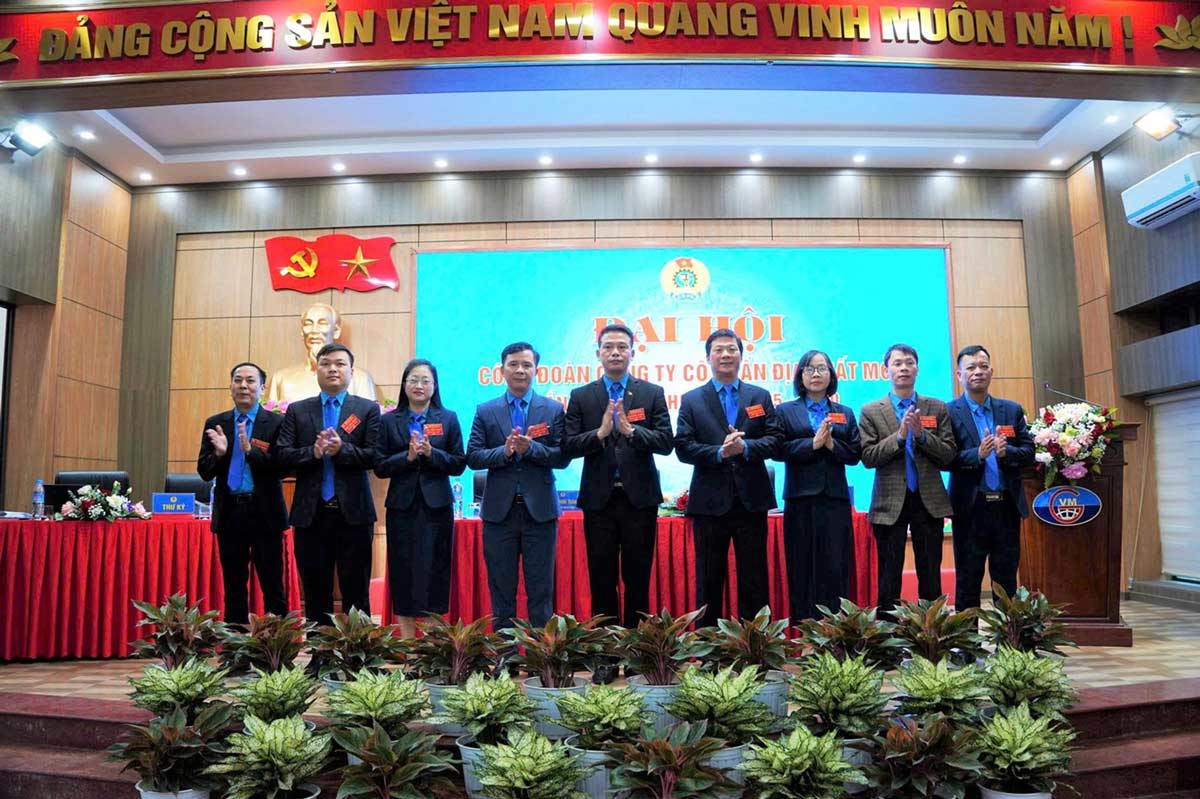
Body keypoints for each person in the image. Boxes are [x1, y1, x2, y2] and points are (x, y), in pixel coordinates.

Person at [564, 324, 672, 640]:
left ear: (632, 352)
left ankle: (638, 650)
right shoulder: (582, 396)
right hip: (599, 501)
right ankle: (608, 653)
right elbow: (568, 445)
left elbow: (666, 442)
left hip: (640, 501)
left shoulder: (651, 393)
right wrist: (598, 434)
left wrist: (631, 431)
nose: (615, 352)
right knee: (602, 577)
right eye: (609, 346)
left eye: (622, 347)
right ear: (598, 353)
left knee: (638, 577)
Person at [675, 328, 779, 628]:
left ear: (741, 356)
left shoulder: (759, 396)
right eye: (719, 350)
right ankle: (710, 651)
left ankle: (755, 647)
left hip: (751, 501)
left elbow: (774, 440)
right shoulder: (692, 399)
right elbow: (683, 446)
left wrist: (745, 447)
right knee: (709, 579)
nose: (725, 355)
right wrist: (719, 453)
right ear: (708, 357)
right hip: (709, 502)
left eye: (731, 349)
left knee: (755, 578)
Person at [466, 341, 568, 634]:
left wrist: (532, 448)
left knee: (540, 595)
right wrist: (505, 451)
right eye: (514, 364)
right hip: (500, 515)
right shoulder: (486, 411)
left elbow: (562, 456)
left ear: (536, 369)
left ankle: (540, 661)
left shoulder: (552, 409)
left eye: (526, 365)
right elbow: (473, 456)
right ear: (502, 370)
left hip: (541, 514)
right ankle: (505, 662)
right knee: (501, 595)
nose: (520, 370)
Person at [275, 343, 381, 624]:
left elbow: (375, 456)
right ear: (317, 370)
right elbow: (282, 456)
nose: (332, 369)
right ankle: (319, 656)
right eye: (326, 364)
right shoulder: (298, 411)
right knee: (315, 589)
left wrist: (341, 450)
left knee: (356, 589)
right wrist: (314, 452)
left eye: (340, 364)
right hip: (311, 515)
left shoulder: (367, 409)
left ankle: (357, 655)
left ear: (351, 371)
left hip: (354, 514)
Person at [859, 343, 956, 614]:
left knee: (930, 575)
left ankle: (930, 637)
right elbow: (868, 457)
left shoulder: (936, 407)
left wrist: (922, 436)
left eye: (909, 363)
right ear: (885, 369)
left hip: (929, 501)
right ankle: (888, 641)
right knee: (888, 578)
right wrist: (900, 437)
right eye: (898, 363)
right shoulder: (871, 410)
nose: (904, 368)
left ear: (917, 368)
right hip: (889, 504)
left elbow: (948, 455)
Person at [374, 358, 466, 638]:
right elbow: (379, 465)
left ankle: (434, 646)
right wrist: (408, 456)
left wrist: (431, 454)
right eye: (413, 379)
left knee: (435, 572)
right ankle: (409, 646)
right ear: (404, 385)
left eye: (425, 380)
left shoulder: (447, 418)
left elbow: (459, 462)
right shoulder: (389, 420)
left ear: (434, 386)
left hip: (437, 508)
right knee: (404, 572)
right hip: (402, 507)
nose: (419, 385)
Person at [772, 350, 862, 621]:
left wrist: (833, 445)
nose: (815, 373)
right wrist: (811, 444)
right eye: (809, 368)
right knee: (802, 567)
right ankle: (805, 633)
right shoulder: (785, 411)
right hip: (800, 499)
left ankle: (836, 631)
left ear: (831, 375)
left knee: (835, 566)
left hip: (834, 499)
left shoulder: (843, 413)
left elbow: (856, 454)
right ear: (800, 375)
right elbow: (777, 448)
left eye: (821, 368)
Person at [196, 362, 289, 625]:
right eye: (238, 380)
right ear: (230, 387)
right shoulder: (216, 423)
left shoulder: (277, 423)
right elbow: (204, 471)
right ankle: (235, 646)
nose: (243, 386)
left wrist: (251, 451)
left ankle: (276, 647)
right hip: (230, 513)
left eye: (250, 381)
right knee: (234, 585)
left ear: (262, 388)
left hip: (265, 514)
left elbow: (283, 468)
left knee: (272, 582)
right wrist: (219, 453)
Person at [945, 345, 1035, 610]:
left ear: (991, 371)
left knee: (1006, 580)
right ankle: (967, 648)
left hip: (1006, 507)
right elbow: (946, 458)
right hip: (970, 509)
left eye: (983, 366)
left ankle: (1007, 644)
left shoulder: (1011, 410)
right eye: (971, 367)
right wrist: (978, 454)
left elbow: (1029, 452)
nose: (978, 372)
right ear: (959, 374)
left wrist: (1007, 452)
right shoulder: (949, 412)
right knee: (968, 580)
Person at [265, 302, 381, 401]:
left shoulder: (360, 379)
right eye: (308, 324)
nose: (314, 330)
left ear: (336, 331)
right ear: (302, 332)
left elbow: (370, 421)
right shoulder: (282, 379)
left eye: (322, 323)